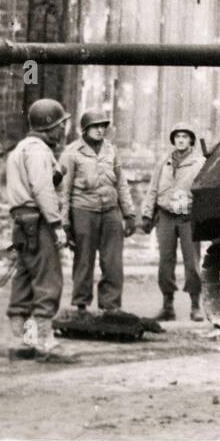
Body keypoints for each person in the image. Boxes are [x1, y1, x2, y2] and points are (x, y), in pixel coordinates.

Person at [6, 98, 74, 362]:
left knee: (23, 278)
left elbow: (27, 184)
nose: (63, 130)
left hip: (21, 221)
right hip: (39, 220)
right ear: (50, 126)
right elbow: (42, 188)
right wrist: (57, 224)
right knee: (48, 279)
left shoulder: (20, 149)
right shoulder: (38, 151)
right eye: (60, 125)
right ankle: (46, 343)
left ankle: (19, 341)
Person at [58, 108, 135, 313]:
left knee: (113, 262)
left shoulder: (111, 150)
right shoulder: (72, 152)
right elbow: (65, 190)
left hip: (110, 211)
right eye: (95, 126)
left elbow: (121, 183)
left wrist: (128, 213)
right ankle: (81, 305)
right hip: (83, 210)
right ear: (85, 129)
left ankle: (111, 306)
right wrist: (65, 222)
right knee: (84, 260)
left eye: (103, 126)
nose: (100, 130)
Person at [141, 122, 205, 322]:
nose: (181, 140)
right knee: (165, 262)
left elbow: (204, 191)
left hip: (188, 217)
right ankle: (167, 306)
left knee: (192, 263)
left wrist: (201, 215)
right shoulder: (164, 162)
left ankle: (195, 306)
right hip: (166, 216)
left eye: (185, 137)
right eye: (177, 137)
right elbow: (153, 188)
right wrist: (146, 214)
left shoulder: (200, 163)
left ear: (191, 140)